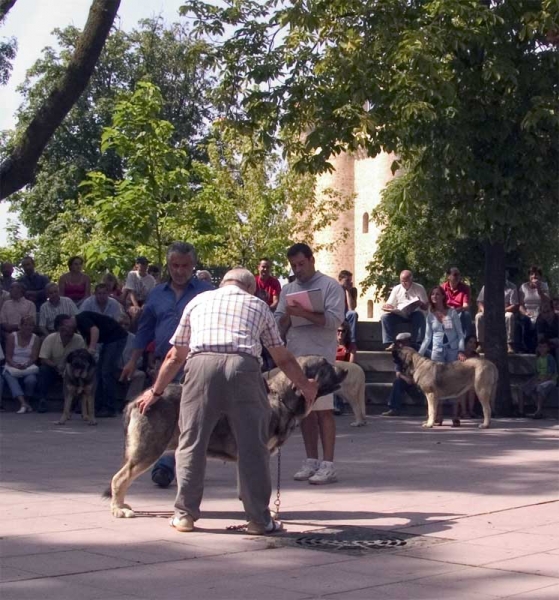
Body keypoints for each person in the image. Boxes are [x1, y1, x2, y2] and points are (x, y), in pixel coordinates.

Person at [136, 268, 319, 535]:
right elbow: (282, 357)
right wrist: (305, 386)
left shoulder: (197, 301)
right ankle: (258, 520)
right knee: (253, 446)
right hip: (243, 368)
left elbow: (175, 356)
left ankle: (185, 515)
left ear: (221, 284)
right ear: (250, 288)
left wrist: (156, 391)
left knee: (191, 442)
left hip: (200, 366)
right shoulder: (257, 304)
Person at [120, 242, 214, 486]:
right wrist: (132, 360)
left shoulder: (206, 291)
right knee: (164, 413)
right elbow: (145, 329)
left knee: (193, 417)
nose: (179, 271)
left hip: (197, 362)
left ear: (193, 266)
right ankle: (164, 463)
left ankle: (180, 467)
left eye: (184, 266)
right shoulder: (156, 293)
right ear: (168, 265)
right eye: (174, 265)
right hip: (167, 364)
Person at [275, 243, 345, 485]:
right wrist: (287, 314)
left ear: (311, 260)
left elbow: (334, 320)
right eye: (293, 266)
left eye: (301, 264)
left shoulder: (330, 286)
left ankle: (328, 464)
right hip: (297, 356)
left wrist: (304, 312)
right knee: (305, 410)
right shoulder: (289, 289)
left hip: (321, 357)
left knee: (323, 409)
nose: (298, 269)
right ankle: (311, 459)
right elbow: (278, 323)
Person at [419, 286, 466, 426]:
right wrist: (419, 354)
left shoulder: (451, 312)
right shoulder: (430, 314)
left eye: (437, 294)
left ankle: (455, 415)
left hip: (451, 349)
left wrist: (461, 350)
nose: (435, 296)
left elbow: (460, 334)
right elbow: (427, 337)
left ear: (443, 296)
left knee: (453, 381)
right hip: (437, 351)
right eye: (432, 294)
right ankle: (437, 416)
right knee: (436, 383)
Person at [71, 311, 128, 418]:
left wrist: (91, 348)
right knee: (99, 372)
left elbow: (94, 330)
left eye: (66, 327)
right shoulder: (80, 328)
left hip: (116, 338)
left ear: (67, 321)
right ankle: (96, 405)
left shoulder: (81, 318)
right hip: (108, 341)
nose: (68, 331)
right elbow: (88, 339)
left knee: (106, 372)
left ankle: (110, 408)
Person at [35, 314, 86, 413]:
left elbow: (83, 358)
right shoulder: (50, 338)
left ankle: (77, 402)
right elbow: (43, 358)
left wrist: (69, 368)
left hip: (72, 369)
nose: (70, 329)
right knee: (43, 370)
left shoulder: (79, 339)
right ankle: (42, 400)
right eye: (67, 327)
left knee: (81, 372)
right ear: (60, 328)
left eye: (71, 327)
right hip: (54, 367)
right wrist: (56, 366)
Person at [2, 315, 41, 413]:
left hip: (28, 366)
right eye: (26, 325)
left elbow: (34, 357)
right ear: (20, 325)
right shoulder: (12, 336)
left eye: (31, 325)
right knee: (11, 379)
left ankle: (27, 401)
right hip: (12, 365)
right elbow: (8, 356)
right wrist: (15, 365)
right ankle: (23, 403)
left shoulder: (36, 338)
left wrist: (26, 365)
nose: (28, 327)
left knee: (31, 380)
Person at [381, 270, 428, 350]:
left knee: (419, 315)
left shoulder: (419, 288)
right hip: (400, 314)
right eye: (401, 281)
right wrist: (389, 307)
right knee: (385, 317)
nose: (403, 283)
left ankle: (417, 342)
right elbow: (390, 304)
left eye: (406, 281)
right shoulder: (396, 289)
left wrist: (419, 303)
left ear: (411, 280)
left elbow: (426, 307)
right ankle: (390, 342)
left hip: (414, 314)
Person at [382, 332, 425, 417]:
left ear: (409, 342)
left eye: (403, 342)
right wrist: (407, 379)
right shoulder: (398, 353)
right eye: (399, 343)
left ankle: (428, 411)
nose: (401, 345)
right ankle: (394, 409)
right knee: (398, 382)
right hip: (409, 380)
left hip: (421, 379)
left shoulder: (420, 350)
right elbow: (398, 372)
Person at [475, 278, 519, 354]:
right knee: (479, 316)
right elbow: (479, 301)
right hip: (489, 311)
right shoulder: (487, 285)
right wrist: (484, 310)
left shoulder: (512, 287)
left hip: (504, 311)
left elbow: (514, 305)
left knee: (510, 316)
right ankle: (481, 344)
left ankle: (509, 344)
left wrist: (502, 310)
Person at [519, 340, 557, 419]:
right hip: (540, 378)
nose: (542, 349)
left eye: (544, 347)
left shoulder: (550, 358)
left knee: (539, 388)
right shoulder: (538, 359)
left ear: (548, 349)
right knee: (522, 389)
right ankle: (521, 411)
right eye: (540, 347)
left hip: (550, 380)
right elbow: (536, 373)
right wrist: (534, 381)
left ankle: (538, 411)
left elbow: (550, 374)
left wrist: (540, 382)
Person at [519, 266, 550, 353]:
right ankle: (526, 347)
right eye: (532, 274)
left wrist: (539, 289)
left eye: (536, 274)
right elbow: (520, 305)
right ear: (529, 276)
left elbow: (547, 301)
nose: (534, 276)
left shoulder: (544, 285)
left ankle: (537, 347)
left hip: (540, 311)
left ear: (540, 276)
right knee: (525, 321)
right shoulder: (523, 286)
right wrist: (525, 312)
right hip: (527, 312)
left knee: (540, 321)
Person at [117, 313, 146, 404]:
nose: (123, 326)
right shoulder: (108, 336)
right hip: (112, 369)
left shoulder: (134, 338)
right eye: (121, 324)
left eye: (126, 324)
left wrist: (131, 365)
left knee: (140, 375)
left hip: (129, 370)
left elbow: (140, 359)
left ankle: (130, 402)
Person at [122, 257, 157, 325]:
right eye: (143, 264)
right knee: (136, 312)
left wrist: (144, 305)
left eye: (146, 264)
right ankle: (132, 331)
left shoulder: (151, 279)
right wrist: (136, 306)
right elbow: (132, 291)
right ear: (137, 265)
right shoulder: (132, 274)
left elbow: (150, 295)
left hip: (144, 302)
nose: (145, 266)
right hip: (131, 302)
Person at [442, 267, 472, 336]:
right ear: (448, 276)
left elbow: (466, 305)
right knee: (447, 317)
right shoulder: (442, 288)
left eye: (459, 274)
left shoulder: (465, 288)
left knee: (466, 315)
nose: (458, 277)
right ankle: (448, 341)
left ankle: (466, 340)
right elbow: (440, 304)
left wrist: (457, 310)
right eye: (455, 274)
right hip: (447, 312)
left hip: (459, 311)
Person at [338, 269, 359, 356]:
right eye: (347, 280)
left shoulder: (353, 290)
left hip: (346, 315)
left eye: (350, 280)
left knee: (353, 314)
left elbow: (352, 308)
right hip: (337, 314)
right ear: (340, 280)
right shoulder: (335, 290)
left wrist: (348, 291)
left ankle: (352, 342)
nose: (349, 282)